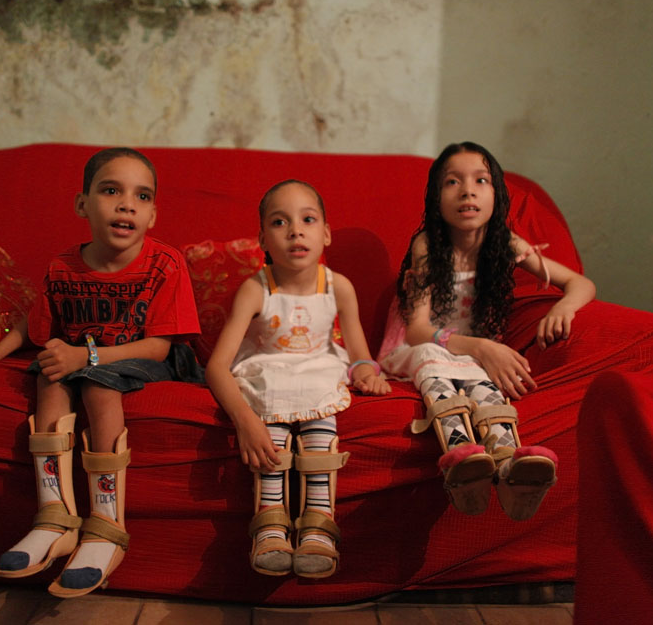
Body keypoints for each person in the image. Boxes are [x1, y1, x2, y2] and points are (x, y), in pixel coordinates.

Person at [0, 147, 201, 598]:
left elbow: (160, 344)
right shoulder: (63, 266)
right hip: (85, 357)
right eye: (111, 191)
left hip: (147, 357)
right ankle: (55, 514)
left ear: (153, 214)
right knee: (48, 376)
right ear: (82, 204)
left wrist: (90, 359)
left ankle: (105, 524)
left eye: (141, 196)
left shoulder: (165, 263)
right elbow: (35, 322)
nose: (127, 204)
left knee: (96, 387)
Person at [378, 142, 595, 520]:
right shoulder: (428, 245)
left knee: (482, 379)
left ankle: (510, 464)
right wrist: (479, 347)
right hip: (420, 345)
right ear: (435, 197)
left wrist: (564, 306)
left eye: (481, 180)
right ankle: (460, 458)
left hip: (468, 352)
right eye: (452, 182)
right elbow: (416, 332)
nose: (467, 190)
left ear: (497, 194)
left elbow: (581, 283)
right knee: (436, 360)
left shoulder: (505, 244)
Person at [205, 179, 391, 579]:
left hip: (318, 367)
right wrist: (245, 421)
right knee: (270, 403)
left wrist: (366, 372)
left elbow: (360, 354)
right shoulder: (255, 290)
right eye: (280, 221)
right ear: (262, 240)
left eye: (308, 219)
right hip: (268, 369)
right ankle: (270, 520)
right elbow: (217, 366)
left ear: (325, 234)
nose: (295, 230)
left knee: (320, 423)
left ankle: (318, 522)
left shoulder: (338, 287)